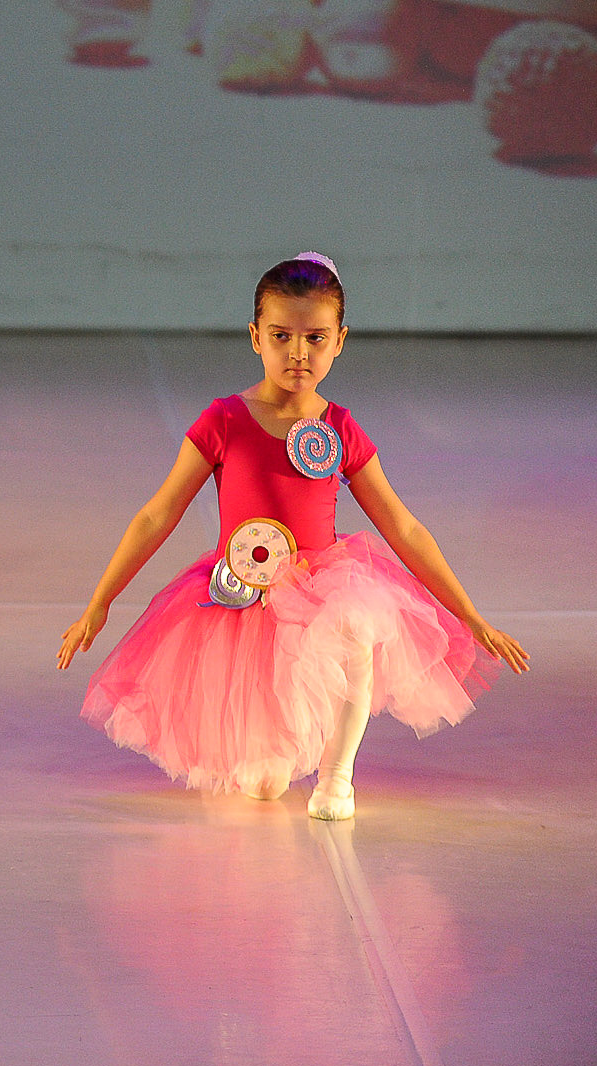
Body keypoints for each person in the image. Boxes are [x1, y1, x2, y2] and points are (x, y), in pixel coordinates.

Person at [58, 253, 529, 819]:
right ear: (256, 337)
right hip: (243, 595)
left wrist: (470, 615)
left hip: (322, 589)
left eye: (315, 338)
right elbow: (157, 515)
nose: (298, 352)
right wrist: (100, 601)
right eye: (282, 336)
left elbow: (403, 527)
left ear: (339, 341)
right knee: (263, 787)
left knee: (357, 626)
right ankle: (281, 753)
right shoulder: (224, 420)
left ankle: (337, 777)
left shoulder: (340, 428)